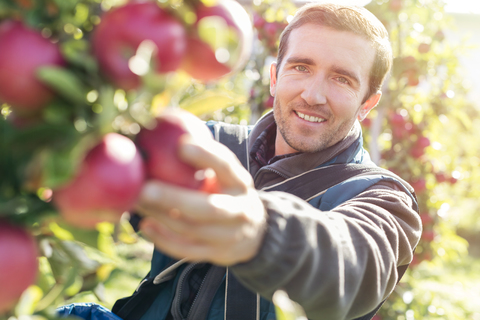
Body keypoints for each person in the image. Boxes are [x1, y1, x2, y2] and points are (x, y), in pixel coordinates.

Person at [113, 3, 422, 320]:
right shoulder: (208, 145)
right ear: (274, 77)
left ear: (367, 104)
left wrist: (261, 231)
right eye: (301, 67)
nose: (313, 95)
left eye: (342, 79)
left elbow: (350, 265)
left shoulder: (383, 199)